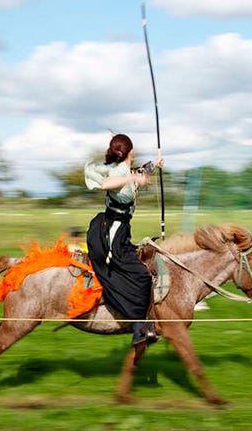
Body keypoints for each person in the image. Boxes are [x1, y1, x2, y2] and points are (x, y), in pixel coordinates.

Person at [84, 133, 164, 345]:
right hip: (111, 237)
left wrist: (154, 164)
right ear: (131, 152)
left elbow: (139, 173)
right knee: (142, 277)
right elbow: (107, 184)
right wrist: (132, 178)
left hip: (117, 231)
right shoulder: (120, 173)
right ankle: (139, 330)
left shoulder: (124, 169)